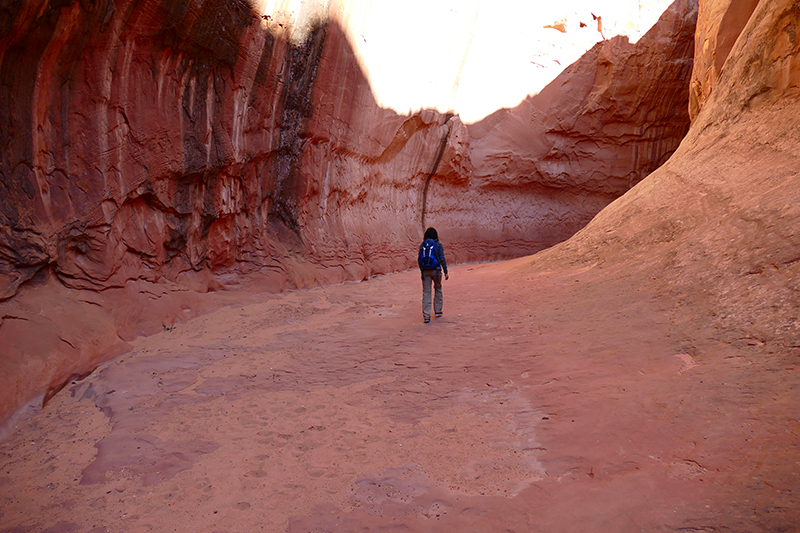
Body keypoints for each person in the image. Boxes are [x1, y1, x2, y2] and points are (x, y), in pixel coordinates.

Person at [418, 227, 449, 323]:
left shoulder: (423, 245)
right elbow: (442, 258)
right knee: (438, 288)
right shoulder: (438, 244)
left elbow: (419, 258)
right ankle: (438, 310)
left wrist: (422, 271)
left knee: (426, 292)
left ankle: (426, 315)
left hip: (425, 271)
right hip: (436, 271)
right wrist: (445, 271)